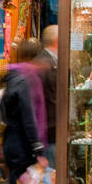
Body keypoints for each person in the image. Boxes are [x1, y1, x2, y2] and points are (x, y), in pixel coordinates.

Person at [0, 39, 48, 184]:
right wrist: (37, 149)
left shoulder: (13, 77)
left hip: (12, 142)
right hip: (21, 145)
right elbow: (29, 117)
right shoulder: (26, 79)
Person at [33, 25, 58, 165]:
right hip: (49, 132)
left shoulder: (49, 62)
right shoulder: (43, 64)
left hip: (51, 131)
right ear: (57, 41)